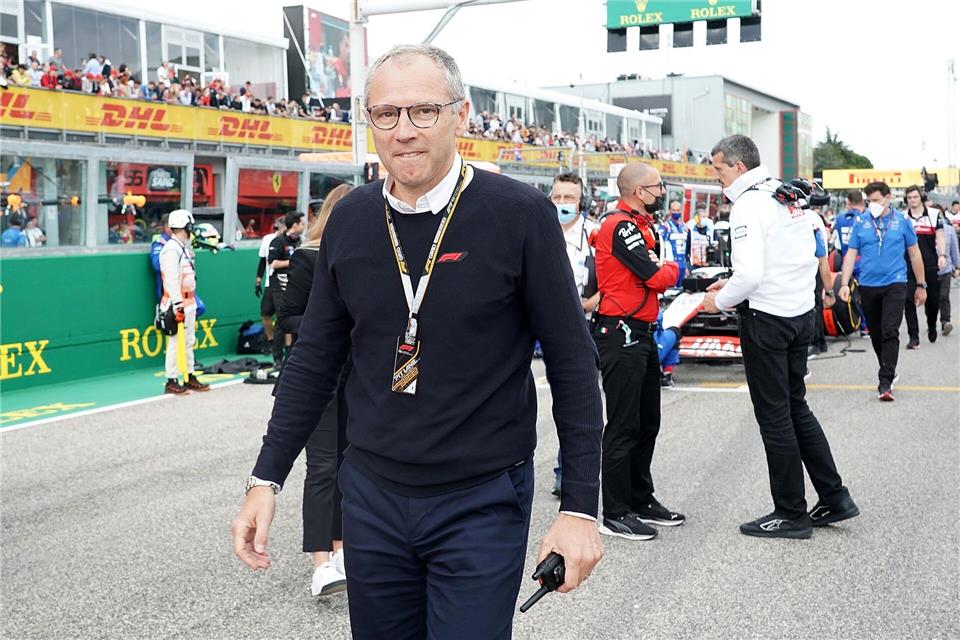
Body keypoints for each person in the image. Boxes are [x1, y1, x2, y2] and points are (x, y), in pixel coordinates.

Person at [231, 44, 603, 639]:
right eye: (386, 115)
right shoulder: (349, 221)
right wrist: (265, 478)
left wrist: (581, 506)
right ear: (370, 122)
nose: (403, 131)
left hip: (480, 500)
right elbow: (314, 361)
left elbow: (573, 364)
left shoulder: (519, 214)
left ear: (459, 114)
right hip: (372, 500)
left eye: (423, 112)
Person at [702, 134, 857, 538]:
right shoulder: (786, 195)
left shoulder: (749, 204)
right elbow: (804, 255)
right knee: (796, 408)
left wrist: (718, 303)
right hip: (798, 313)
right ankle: (834, 496)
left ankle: (790, 512)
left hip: (768, 319)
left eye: (718, 168)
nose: (715, 176)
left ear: (737, 166)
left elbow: (751, 274)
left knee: (775, 416)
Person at [593, 162, 684, 542]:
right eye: (657, 187)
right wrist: (670, 270)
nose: (662, 193)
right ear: (637, 191)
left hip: (642, 332)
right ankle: (614, 512)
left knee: (648, 422)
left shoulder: (641, 223)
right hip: (621, 332)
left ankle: (640, 498)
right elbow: (655, 276)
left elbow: (653, 274)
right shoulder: (621, 225)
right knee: (623, 425)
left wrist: (663, 270)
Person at [276, 184, 354, 597]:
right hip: (318, 379)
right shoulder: (306, 257)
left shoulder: (373, 259)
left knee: (351, 466)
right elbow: (287, 318)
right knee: (322, 468)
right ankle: (320, 562)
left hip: (359, 380)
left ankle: (343, 551)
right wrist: (330, 326)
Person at [838, 182, 928, 400]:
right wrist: (843, 283)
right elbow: (850, 254)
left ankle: (885, 381)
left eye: (877, 200)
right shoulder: (861, 222)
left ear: (888, 198)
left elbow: (915, 254)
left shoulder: (901, 221)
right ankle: (888, 367)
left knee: (890, 331)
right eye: (869, 201)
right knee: (877, 334)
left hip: (895, 283)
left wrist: (921, 285)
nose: (873, 205)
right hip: (868, 285)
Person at [548, 171, 600, 497]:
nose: (563, 203)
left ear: (583, 201)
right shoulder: (540, 229)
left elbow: (611, 283)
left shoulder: (596, 234)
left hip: (583, 324)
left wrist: (587, 304)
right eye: (558, 197)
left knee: (578, 403)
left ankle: (569, 472)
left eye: (570, 198)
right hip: (542, 323)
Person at [159, 209, 209, 395]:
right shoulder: (172, 249)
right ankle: (172, 379)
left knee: (189, 341)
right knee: (174, 342)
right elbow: (171, 279)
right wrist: (177, 304)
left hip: (188, 302)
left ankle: (189, 375)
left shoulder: (181, 247)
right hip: (177, 303)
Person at [902, 185, 948, 346]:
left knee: (932, 300)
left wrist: (942, 255)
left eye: (915, 197)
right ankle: (913, 337)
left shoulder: (934, 215)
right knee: (908, 299)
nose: (912, 200)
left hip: (929, 263)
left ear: (920, 197)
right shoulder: (902, 218)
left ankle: (931, 325)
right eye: (909, 198)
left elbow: (941, 237)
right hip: (907, 265)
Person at [267, 211, 305, 369]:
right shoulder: (278, 241)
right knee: (282, 321)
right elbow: (272, 264)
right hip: (279, 287)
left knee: (297, 321)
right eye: (302, 223)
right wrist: (293, 261)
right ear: (294, 225)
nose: (304, 226)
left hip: (296, 285)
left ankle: (293, 355)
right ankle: (277, 357)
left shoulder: (299, 241)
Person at [255, 217, 285, 354]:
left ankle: (286, 345)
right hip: (269, 283)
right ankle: (271, 339)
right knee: (265, 313)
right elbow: (263, 261)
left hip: (284, 284)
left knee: (283, 316)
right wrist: (258, 279)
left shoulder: (289, 241)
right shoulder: (267, 239)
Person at [937, 216, 960, 336]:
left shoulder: (949, 230)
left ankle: (945, 321)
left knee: (943, 296)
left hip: (946, 268)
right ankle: (931, 321)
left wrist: (957, 266)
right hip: (929, 269)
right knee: (932, 299)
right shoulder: (924, 229)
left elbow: (955, 249)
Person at [659, 200, 688, 287]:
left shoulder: (684, 227)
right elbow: (659, 244)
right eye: (674, 210)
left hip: (683, 264)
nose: (676, 212)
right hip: (671, 264)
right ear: (669, 210)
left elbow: (688, 247)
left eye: (678, 210)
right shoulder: (665, 227)